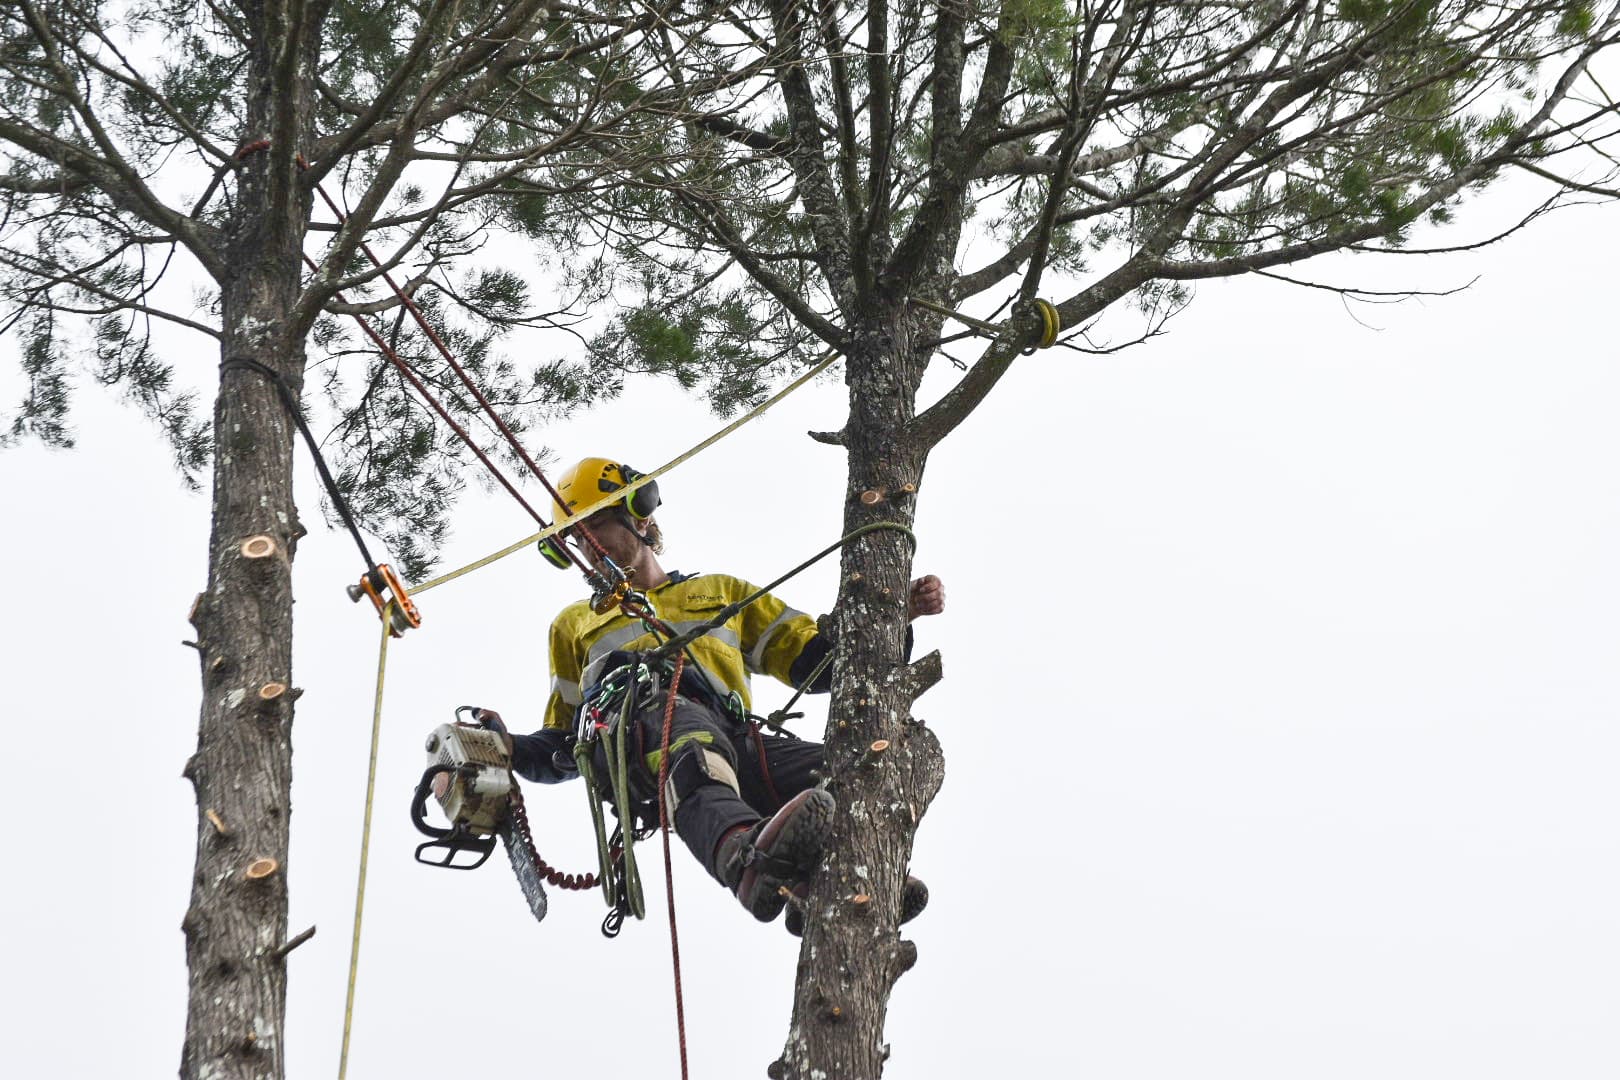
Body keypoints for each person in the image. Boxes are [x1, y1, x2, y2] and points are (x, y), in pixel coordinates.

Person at [497, 457, 944, 928]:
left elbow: (817, 665)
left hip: (732, 738)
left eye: (596, 526)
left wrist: (897, 616)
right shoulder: (573, 626)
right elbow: (565, 745)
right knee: (689, 738)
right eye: (574, 539)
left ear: (639, 514)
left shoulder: (721, 593)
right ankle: (743, 861)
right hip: (645, 739)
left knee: (852, 769)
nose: (588, 548)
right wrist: (510, 748)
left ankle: (833, 884)